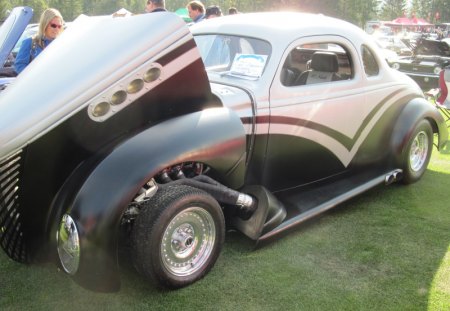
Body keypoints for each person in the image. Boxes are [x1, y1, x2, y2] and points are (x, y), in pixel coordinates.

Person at [14, 8, 64, 75]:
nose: (56, 29)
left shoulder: (62, 45)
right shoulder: (29, 43)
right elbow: (19, 66)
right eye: (53, 25)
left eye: (59, 26)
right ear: (45, 24)